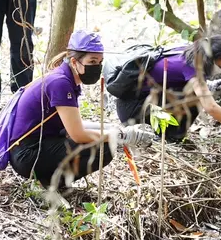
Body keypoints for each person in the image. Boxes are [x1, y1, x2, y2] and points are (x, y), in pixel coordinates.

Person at [9, 31, 152, 189]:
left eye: (99, 61)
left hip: (37, 145)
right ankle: (51, 185)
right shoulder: (61, 83)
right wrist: (123, 135)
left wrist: (115, 129)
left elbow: (74, 124)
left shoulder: (66, 78)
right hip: (27, 154)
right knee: (105, 148)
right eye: (92, 61)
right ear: (74, 61)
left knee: (105, 139)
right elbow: (78, 134)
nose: (96, 66)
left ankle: (49, 181)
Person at [115, 35, 221, 145]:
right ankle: (170, 138)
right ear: (216, 56)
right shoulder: (194, 67)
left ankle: (170, 135)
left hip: (132, 102)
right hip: (135, 110)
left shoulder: (189, 51)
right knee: (196, 98)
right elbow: (210, 107)